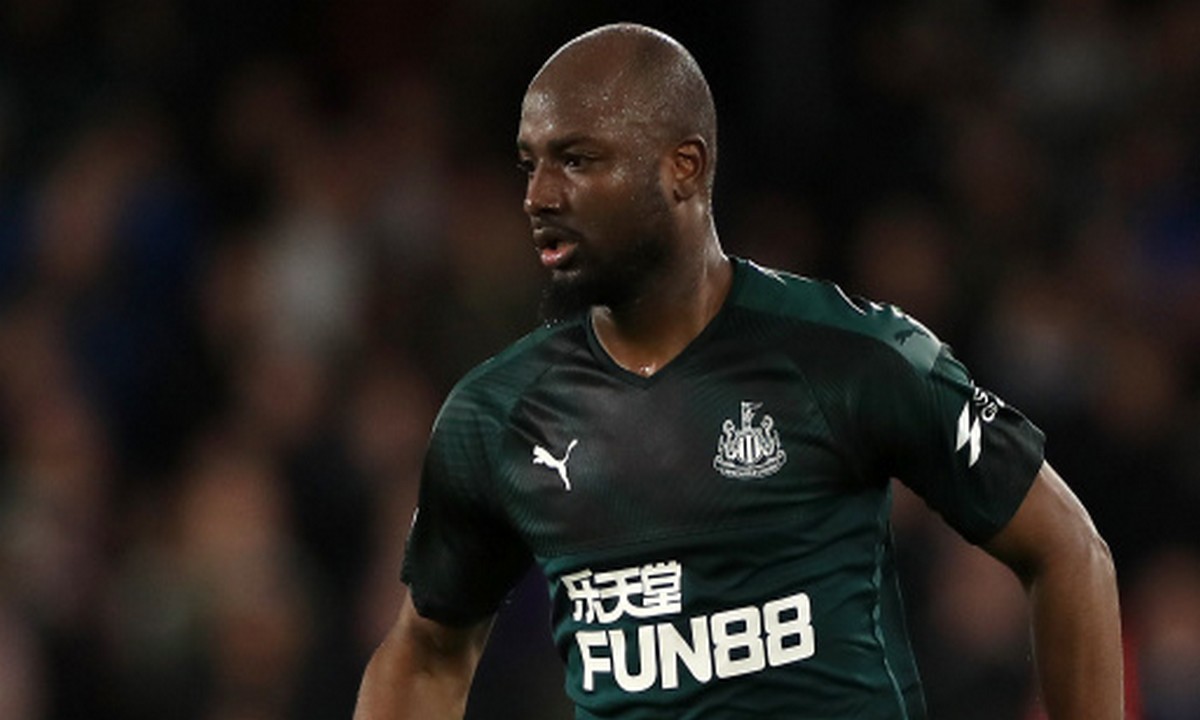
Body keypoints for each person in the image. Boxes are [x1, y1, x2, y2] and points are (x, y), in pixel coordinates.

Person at [354, 23, 1123, 719]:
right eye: (531, 165)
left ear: (683, 168)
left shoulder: (849, 355)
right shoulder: (497, 416)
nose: (538, 196)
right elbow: (426, 656)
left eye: (577, 160)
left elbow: (1068, 551)